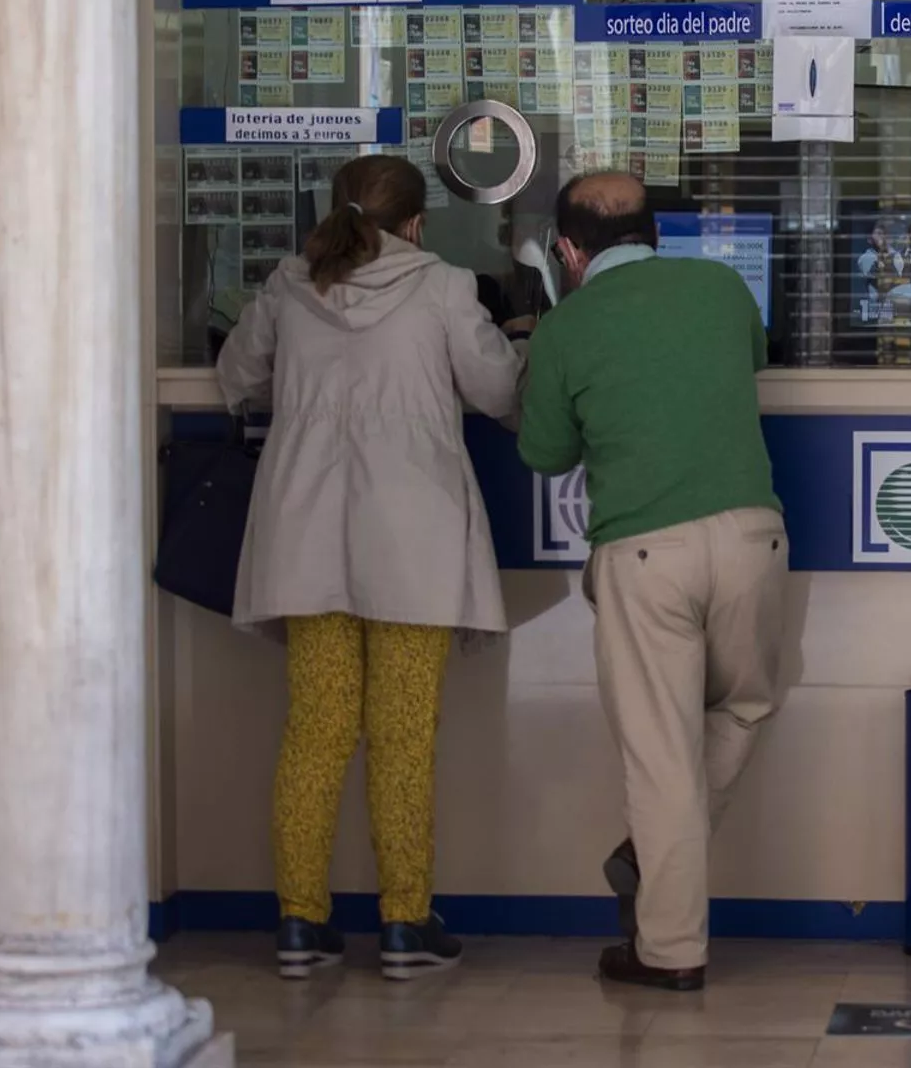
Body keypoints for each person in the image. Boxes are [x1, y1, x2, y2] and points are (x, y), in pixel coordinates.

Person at [216, 154, 533, 982]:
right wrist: (516, 343)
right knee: (402, 736)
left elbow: (235, 377)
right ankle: (404, 924)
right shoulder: (442, 287)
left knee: (316, 731)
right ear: (417, 222)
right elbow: (499, 394)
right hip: (413, 540)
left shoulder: (290, 286)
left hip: (306, 536)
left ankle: (299, 924)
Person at [517, 172, 786, 992]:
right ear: (656, 234)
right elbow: (752, 358)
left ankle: (669, 949)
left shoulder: (567, 327)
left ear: (568, 251)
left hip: (645, 554)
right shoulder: (721, 288)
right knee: (744, 706)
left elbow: (544, 454)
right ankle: (653, 853)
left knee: (663, 759)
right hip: (753, 537)